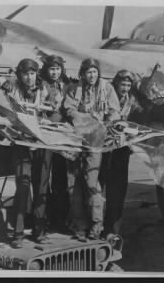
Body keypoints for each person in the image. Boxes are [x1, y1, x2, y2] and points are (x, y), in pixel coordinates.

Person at [0, 58, 49, 248]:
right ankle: (17, 233)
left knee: (41, 189)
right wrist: (2, 82)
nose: (29, 77)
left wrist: (49, 119)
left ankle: (39, 231)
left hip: (42, 144)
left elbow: (56, 111)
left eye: (32, 73)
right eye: (25, 73)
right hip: (21, 144)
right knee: (22, 188)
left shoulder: (45, 89)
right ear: (19, 74)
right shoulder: (12, 86)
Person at [62, 58, 120, 240]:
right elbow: (68, 109)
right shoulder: (74, 89)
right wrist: (85, 118)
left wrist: (104, 123)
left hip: (96, 139)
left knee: (91, 181)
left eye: (94, 72)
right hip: (76, 139)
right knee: (73, 184)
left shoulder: (107, 88)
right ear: (83, 73)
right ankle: (79, 225)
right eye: (88, 72)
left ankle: (97, 223)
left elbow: (114, 111)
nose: (92, 75)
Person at [99, 69, 144, 239]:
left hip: (121, 152)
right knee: (97, 188)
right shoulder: (106, 96)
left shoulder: (133, 102)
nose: (124, 88)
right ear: (116, 83)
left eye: (128, 85)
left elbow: (140, 120)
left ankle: (112, 230)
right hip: (103, 149)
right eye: (122, 84)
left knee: (117, 192)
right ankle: (95, 225)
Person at [38, 55, 71, 234]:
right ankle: (41, 220)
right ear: (46, 69)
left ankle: (60, 219)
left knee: (60, 179)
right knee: (43, 179)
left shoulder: (67, 86)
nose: (55, 72)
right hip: (44, 136)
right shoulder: (40, 85)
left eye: (58, 69)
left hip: (62, 136)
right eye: (52, 69)